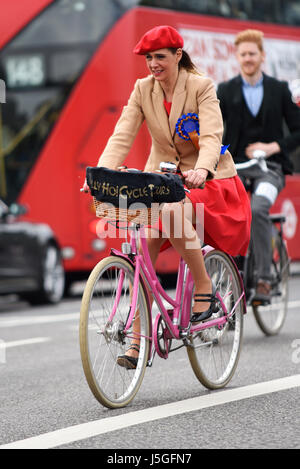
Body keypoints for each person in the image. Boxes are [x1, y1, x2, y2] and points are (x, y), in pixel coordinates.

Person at [84, 25, 251, 369]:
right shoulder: (142, 89)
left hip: (209, 183)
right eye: (148, 58)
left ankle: (203, 284)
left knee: (173, 214)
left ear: (178, 55)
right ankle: (135, 341)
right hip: (163, 183)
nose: (153, 64)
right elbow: (122, 134)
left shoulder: (201, 86)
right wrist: (101, 175)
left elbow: (211, 137)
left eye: (160, 57)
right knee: (143, 247)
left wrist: (202, 169)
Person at [217, 29, 300, 303]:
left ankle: (264, 278)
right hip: (236, 168)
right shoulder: (226, 91)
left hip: (270, 169)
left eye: (253, 54)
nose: (248, 59)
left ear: (262, 56)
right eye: (243, 54)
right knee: (228, 214)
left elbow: (298, 130)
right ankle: (232, 275)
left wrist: (273, 147)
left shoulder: (278, 90)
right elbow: (215, 129)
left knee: (258, 208)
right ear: (237, 57)